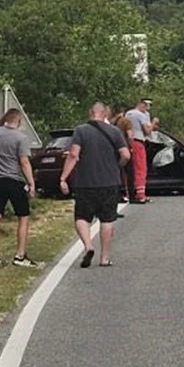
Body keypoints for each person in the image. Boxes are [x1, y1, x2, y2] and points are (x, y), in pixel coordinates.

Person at [59, 102, 130, 268]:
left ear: (90, 112)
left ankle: (88, 245)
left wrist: (63, 178)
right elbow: (126, 155)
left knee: (82, 217)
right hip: (109, 182)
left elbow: (74, 154)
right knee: (107, 219)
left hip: (85, 183)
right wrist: (117, 166)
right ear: (105, 114)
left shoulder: (81, 131)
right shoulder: (115, 131)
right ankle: (104, 258)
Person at [0, 108, 37, 267]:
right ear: (19, 121)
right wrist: (31, 183)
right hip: (14, 180)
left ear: (6, 119)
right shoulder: (21, 138)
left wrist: (5, 119)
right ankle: (20, 255)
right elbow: (24, 162)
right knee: (23, 216)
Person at [125, 98, 154, 204]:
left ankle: (130, 193)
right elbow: (147, 131)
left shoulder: (128, 114)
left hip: (128, 142)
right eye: (147, 106)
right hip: (138, 142)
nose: (148, 109)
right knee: (141, 168)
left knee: (130, 169)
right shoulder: (141, 115)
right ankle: (141, 195)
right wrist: (154, 123)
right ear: (142, 105)